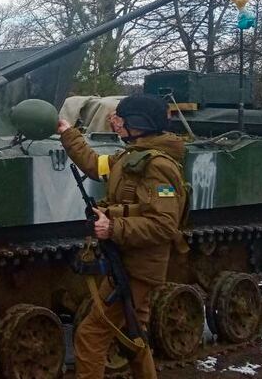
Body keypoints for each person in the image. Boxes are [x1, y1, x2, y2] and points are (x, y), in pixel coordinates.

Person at [57, 94, 187, 379]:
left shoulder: (157, 166)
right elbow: (96, 165)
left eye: (120, 117)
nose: (114, 121)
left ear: (138, 123)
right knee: (133, 333)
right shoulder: (132, 156)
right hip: (128, 260)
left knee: (91, 335)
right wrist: (68, 134)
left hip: (139, 267)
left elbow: (165, 224)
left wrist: (113, 227)